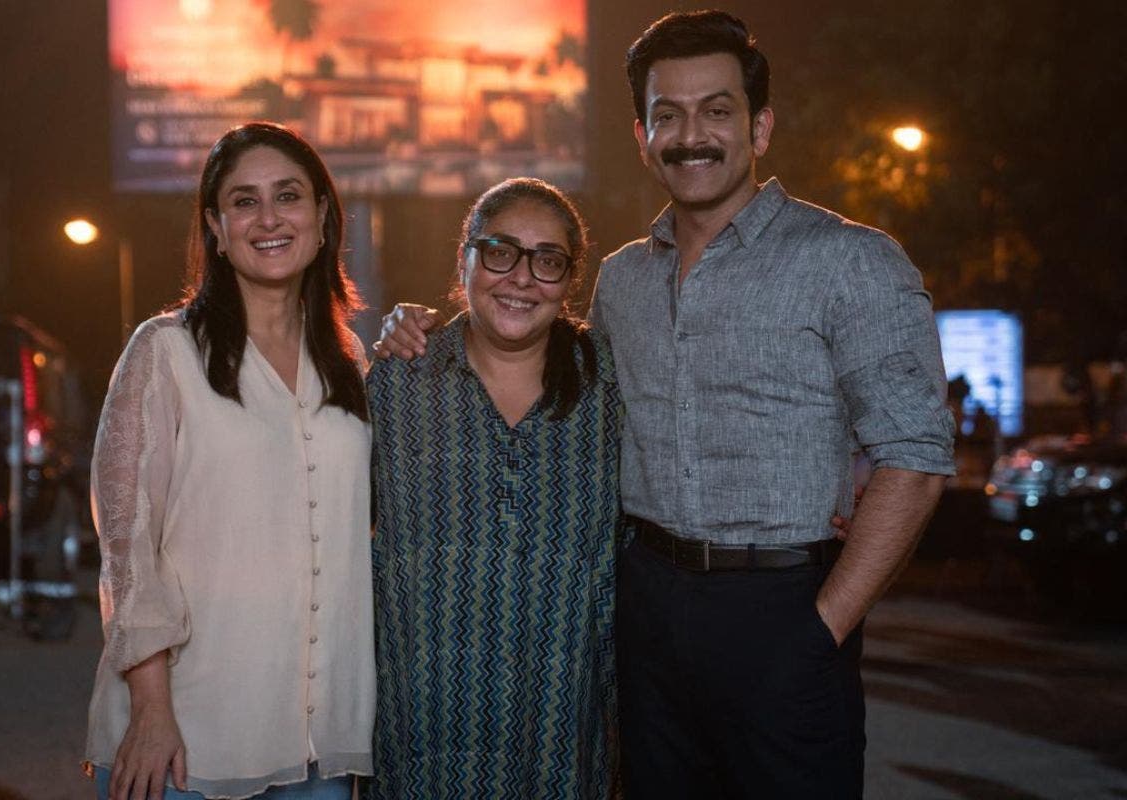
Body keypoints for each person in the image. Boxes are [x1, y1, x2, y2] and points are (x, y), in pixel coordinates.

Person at [376, 10, 955, 798]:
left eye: (716, 110)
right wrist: (410, 327)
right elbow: (539, 363)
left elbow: (915, 457)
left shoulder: (849, 261)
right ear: (643, 137)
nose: (691, 136)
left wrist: (822, 629)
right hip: (642, 614)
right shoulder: (622, 280)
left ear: (759, 127)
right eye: (668, 115)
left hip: (783, 608)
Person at [84, 122, 374, 800]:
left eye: (288, 196)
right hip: (188, 736)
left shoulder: (352, 363)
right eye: (244, 201)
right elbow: (127, 546)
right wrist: (151, 710)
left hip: (320, 745)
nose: (268, 218)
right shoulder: (165, 351)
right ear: (216, 228)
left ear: (322, 217)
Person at [366, 178, 620, 799]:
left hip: (562, 726)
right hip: (422, 727)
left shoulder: (609, 383)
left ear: (570, 280)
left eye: (548, 261)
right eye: (501, 252)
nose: (522, 278)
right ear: (466, 259)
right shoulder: (401, 380)